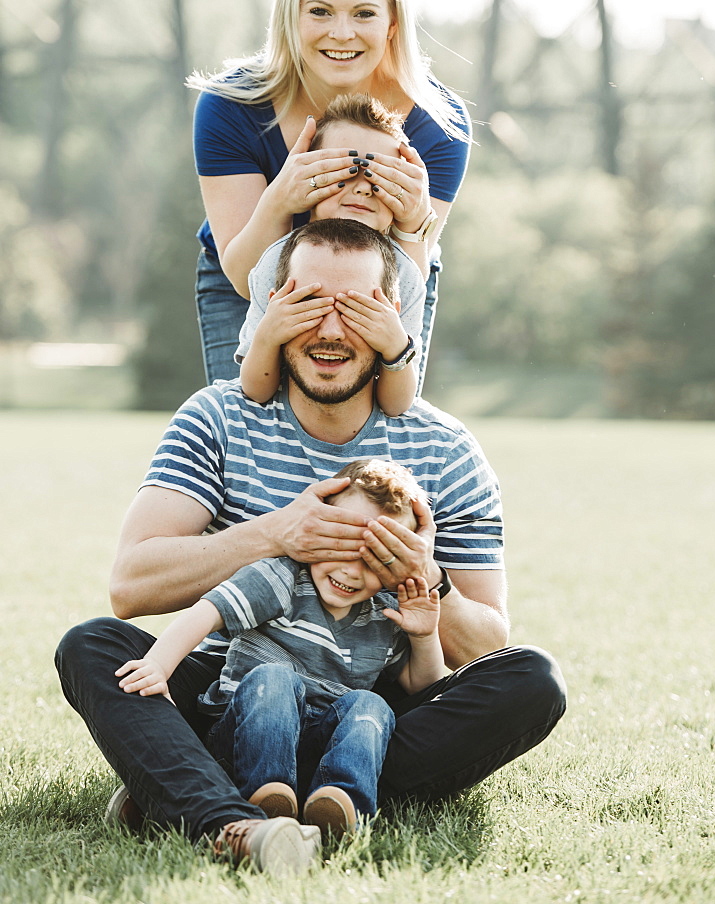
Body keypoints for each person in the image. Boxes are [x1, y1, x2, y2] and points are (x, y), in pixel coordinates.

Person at [55, 219, 567, 876]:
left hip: (371, 698)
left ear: (393, 320)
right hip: (230, 685)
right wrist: (276, 534)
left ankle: (190, 787)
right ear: (274, 309)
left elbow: (490, 645)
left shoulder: (447, 450)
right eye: (308, 303)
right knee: (95, 646)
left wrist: (425, 579)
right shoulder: (217, 416)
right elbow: (131, 585)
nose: (330, 330)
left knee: (532, 680)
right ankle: (234, 820)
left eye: (355, 308)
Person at [189, 0, 471, 386]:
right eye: (320, 12)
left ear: (392, 24)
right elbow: (244, 278)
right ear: (290, 19)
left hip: (383, 279)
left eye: (364, 14)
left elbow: (406, 279)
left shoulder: (438, 123)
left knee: (377, 440)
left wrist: (415, 222)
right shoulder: (231, 105)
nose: (342, 34)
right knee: (248, 432)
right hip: (244, 275)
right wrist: (281, 200)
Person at [115, 460, 444, 839]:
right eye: (342, 547)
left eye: (373, 560)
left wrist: (424, 635)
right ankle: (264, 795)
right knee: (275, 678)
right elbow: (206, 613)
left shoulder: (382, 615)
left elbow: (423, 687)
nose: (352, 571)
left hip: (313, 750)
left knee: (373, 706)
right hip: (240, 735)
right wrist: (158, 664)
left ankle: (340, 804)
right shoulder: (282, 577)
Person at [239, 94, 424, 416]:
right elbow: (256, 390)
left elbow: (397, 406)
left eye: (382, 178)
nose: (364, 188)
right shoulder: (276, 260)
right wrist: (268, 336)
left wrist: (396, 347)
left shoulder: (405, 274)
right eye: (346, 170)